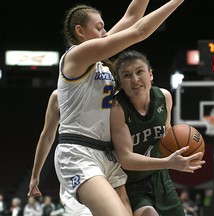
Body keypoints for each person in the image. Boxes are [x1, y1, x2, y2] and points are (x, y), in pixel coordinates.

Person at [30, 0, 188, 215]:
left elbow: (132, 18)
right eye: (99, 27)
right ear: (80, 31)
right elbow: (139, 30)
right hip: (79, 152)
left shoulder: (100, 61)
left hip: (107, 153)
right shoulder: (75, 56)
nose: (106, 32)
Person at [111, 50, 205, 216]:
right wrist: (169, 162)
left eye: (140, 72)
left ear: (151, 75)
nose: (135, 80)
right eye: (127, 75)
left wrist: (183, 152)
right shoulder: (118, 109)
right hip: (132, 184)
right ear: (120, 82)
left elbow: (167, 138)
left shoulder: (164, 97)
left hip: (160, 177)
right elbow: (126, 159)